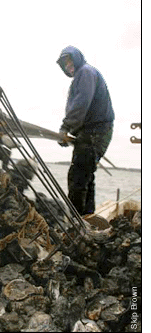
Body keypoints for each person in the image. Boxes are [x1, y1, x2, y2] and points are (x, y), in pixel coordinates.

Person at [56, 46, 115, 216]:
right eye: (65, 64)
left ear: (77, 58)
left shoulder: (85, 72)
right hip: (93, 131)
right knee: (86, 177)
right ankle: (88, 219)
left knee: (78, 177)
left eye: (70, 61)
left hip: (96, 132)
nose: (68, 66)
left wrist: (66, 127)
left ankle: (77, 224)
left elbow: (81, 103)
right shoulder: (83, 76)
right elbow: (82, 107)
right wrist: (73, 132)